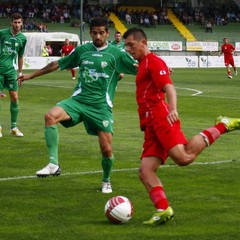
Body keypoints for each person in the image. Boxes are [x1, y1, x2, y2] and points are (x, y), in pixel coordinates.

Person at [122, 27, 240, 225]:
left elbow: (169, 86)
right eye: (126, 46)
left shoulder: (154, 61)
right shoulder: (142, 63)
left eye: (131, 45)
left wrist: (173, 109)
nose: (128, 49)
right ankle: (162, 209)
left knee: (183, 157)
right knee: (145, 171)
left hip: (161, 118)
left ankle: (223, 125)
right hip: (149, 125)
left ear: (143, 42)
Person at [18, 17, 137, 194]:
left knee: (106, 150)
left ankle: (106, 181)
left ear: (107, 33)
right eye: (95, 33)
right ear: (90, 33)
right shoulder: (82, 50)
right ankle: (53, 164)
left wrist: (161, 71)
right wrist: (31, 75)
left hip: (100, 107)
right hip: (78, 101)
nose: (98, 36)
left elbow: (140, 68)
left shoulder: (116, 54)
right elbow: (57, 63)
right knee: (50, 116)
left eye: (101, 33)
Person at [0, 13, 27, 138]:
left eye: (19, 22)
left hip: (12, 71)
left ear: (22, 23)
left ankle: (14, 127)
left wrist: (20, 73)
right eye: (15, 22)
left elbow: (20, 56)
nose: (17, 25)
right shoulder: (2, 33)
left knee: (15, 98)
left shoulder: (23, 38)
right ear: (11, 23)